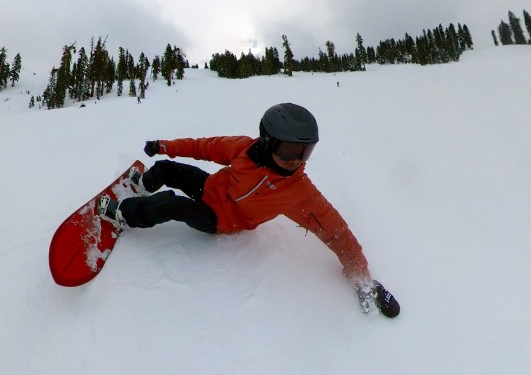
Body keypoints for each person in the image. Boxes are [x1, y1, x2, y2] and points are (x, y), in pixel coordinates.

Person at [99, 102, 399, 317]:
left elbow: (337, 232)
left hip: (221, 219)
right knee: (167, 169)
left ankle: (124, 214)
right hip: (211, 189)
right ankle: (143, 183)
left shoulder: (298, 191)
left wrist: (363, 278)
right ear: (268, 142)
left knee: (172, 204)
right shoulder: (243, 148)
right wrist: (165, 146)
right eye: (290, 150)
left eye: (305, 151)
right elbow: (204, 147)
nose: (297, 160)